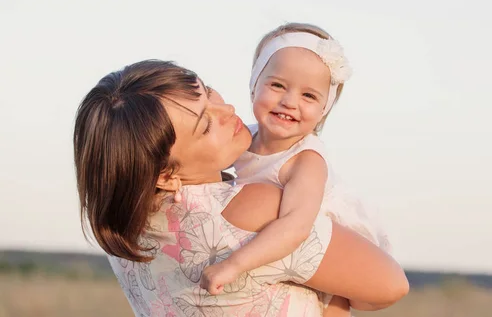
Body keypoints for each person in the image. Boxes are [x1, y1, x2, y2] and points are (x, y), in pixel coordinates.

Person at [73, 60, 408, 317]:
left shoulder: (124, 227)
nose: (228, 110)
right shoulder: (254, 210)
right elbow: (390, 285)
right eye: (206, 125)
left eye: (209, 91)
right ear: (164, 174)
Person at [200, 23, 392, 316]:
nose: (290, 102)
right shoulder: (243, 138)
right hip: (278, 243)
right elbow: (202, 166)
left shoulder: (306, 160)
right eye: (277, 85)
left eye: (309, 96)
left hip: (326, 246)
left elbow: (296, 226)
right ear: (254, 86)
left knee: (330, 303)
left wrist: (233, 264)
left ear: (323, 109)